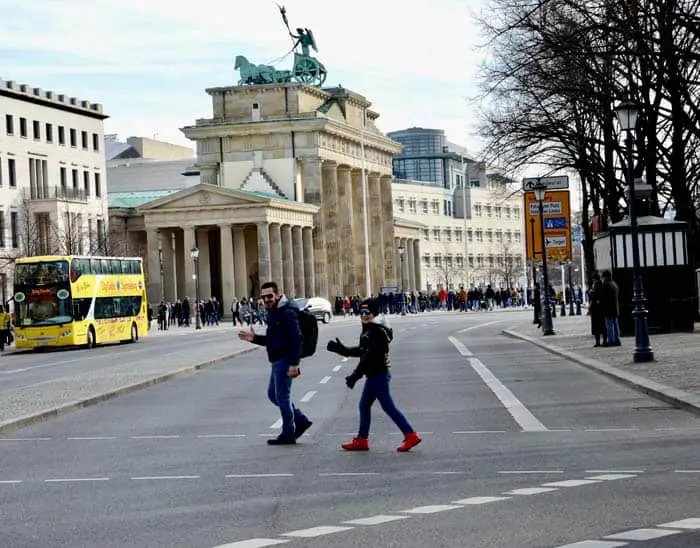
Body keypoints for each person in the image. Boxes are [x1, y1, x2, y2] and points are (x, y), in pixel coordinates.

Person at [327, 298, 421, 452]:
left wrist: (354, 376)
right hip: (374, 375)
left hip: (378, 375)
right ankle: (362, 439)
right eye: (361, 312)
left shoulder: (377, 331)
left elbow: (368, 357)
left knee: (388, 407)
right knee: (364, 406)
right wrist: (342, 349)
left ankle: (410, 435)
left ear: (374, 313)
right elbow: (362, 351)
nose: (363, 315)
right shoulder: (370, 329)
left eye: (367, 312)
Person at [238, 281, 312, 445]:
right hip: (277, 359)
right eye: (263, 297)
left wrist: (294, 363)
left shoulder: (286, 312)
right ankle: (301, 420)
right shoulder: (274, 312)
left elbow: (297, 338)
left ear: (278, 294)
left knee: (282, 396)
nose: (267, 300)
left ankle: (288, 433)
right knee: (274, 395)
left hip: (285, 360)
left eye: (270, 296)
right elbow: (273, 340)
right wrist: (254, 338)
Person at [589, 272, 607, 347]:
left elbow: (596, 295)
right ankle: (603, 341)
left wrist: (591, 293)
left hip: (596, 308)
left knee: (597, 326)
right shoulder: (601, 284)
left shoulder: (597, 285)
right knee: (602, 326)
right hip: (600, 308)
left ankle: (598, 341)